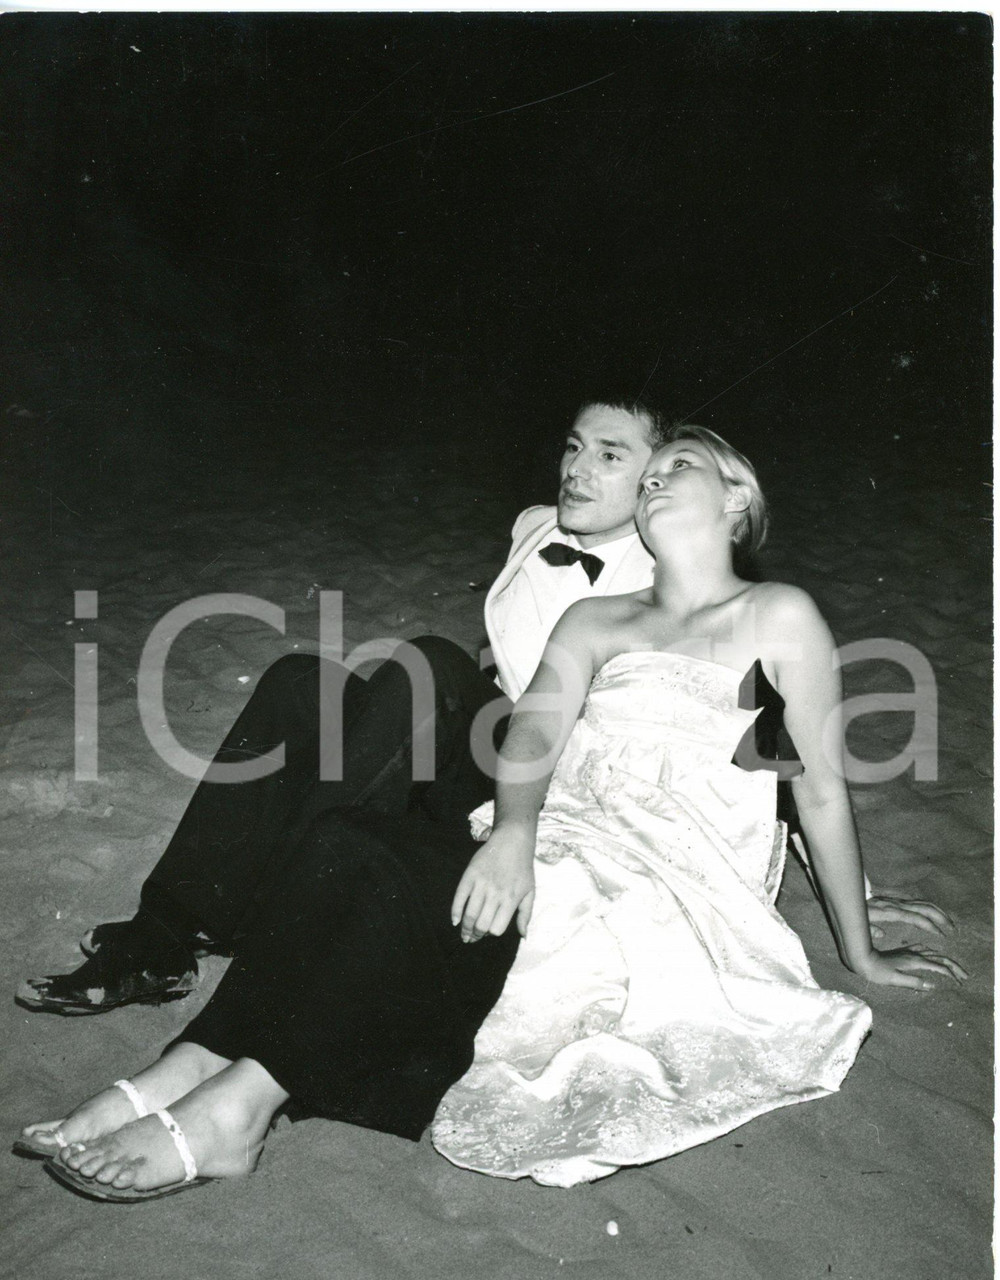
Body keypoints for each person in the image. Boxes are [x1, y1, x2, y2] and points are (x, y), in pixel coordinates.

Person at [17, 426, 965, 1200]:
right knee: (354, 841)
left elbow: (819, 784)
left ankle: (243, 1106)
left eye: (683, 467)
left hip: (674, 864)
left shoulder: (779, 613)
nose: (655, 481)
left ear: (737, 502)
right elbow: (533, 742)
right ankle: (185, 1065)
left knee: (405, 880)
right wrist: (513, 828)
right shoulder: (599, 621)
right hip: (566, 818)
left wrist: (859, 939)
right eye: (653, 472)